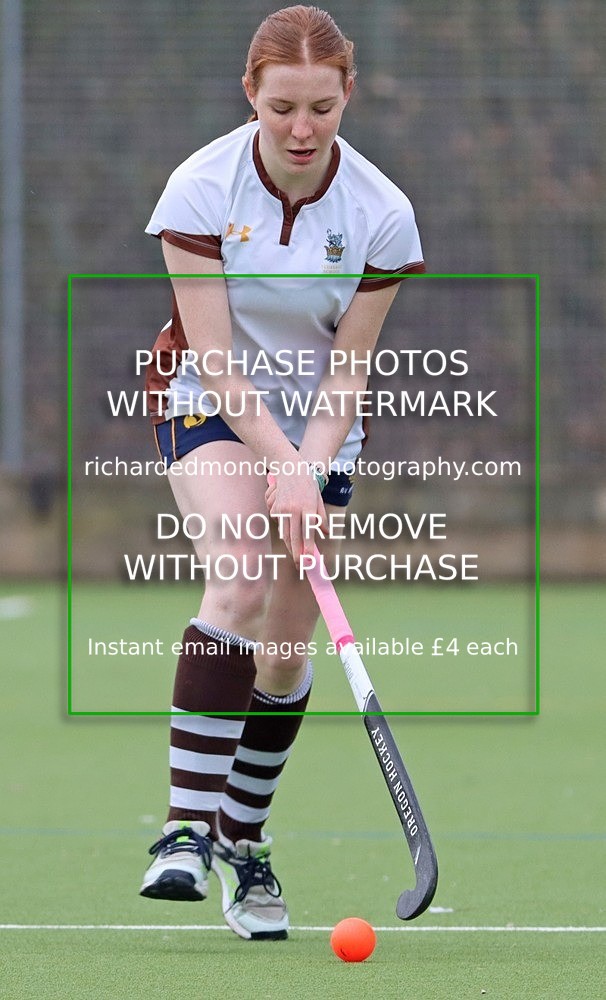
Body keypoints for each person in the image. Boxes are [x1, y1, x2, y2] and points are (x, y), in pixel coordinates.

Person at [139, 4, 425, 941]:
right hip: (209, 397)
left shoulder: (382, 214)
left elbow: (350, 367)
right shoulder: (198, 190)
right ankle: (182, 832)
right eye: (282, 109)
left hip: (323, 419)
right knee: (243, 575)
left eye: (322, 108)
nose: (302, 130)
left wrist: (309, 466)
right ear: (251, 96)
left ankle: (242, 843)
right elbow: (217, 358)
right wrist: (278, 467)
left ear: (349, 96)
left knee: (287, 646)